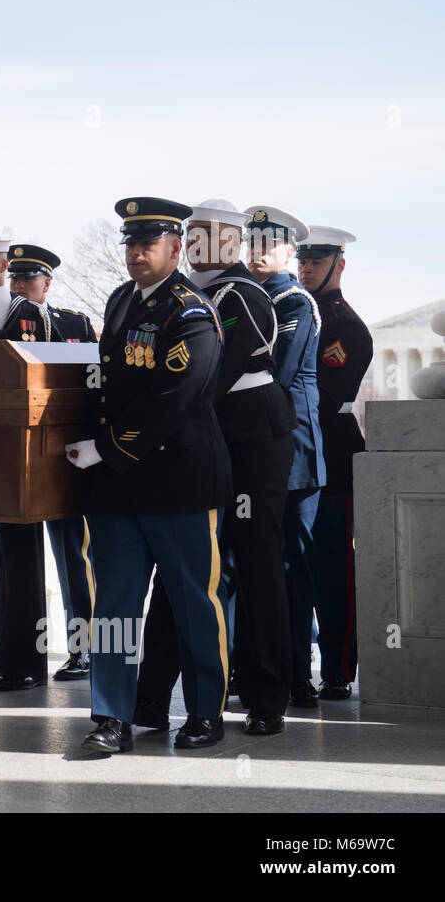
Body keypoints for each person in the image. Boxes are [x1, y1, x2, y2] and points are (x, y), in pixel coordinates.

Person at [67, 197, 232, 754]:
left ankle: (206, 712)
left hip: (178, 483)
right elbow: (106, 382)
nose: (136, 254)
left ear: (175, 249)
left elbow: (174, 400)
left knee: (193, 604)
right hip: (117, 489)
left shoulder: (190, 311)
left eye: (148, 244)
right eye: (131, 244)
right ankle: (112, 716)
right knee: (113, 605)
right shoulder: (119, 301)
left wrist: (105, 449)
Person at [134, 200, 298, 736]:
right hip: (200, 442)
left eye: (212, 235)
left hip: (251, 443)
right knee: (183, 568)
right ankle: (152, 698)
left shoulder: (241, 294)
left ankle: (268, 695)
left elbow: (210, 372)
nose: (202, 244)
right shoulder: (180, 296)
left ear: (230, 242)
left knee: (255, 565)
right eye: (193, 234)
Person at [244, 206, 325, 710]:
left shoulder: (294, 301)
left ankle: (298, 672)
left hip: (292, 449)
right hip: (254, 446)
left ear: (289, 252)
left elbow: (276, 373)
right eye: (251, 244)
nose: (258, 254)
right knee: (255, 565)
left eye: (269, 246)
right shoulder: (245, 296)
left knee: (293, 568)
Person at [6, 242, 98, 684]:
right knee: (12, 562)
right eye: (15, 279)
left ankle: (85, 648)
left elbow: (91, 388)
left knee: (73, 557)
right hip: (15, 459)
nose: (20, 286)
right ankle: (7, 648)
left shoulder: (74, 324)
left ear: (47, 282)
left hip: (64, 456)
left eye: (29, 278)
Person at [297, 226, 370, 700]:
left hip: (334, 457)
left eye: (316, 261)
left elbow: (323, 400)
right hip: (295, 455)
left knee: (332, 567)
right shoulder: (293, 311)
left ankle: (338, 667)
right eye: (302, 260)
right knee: (292, 568)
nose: (306, 269)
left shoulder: (343, 326)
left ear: (338, 264)